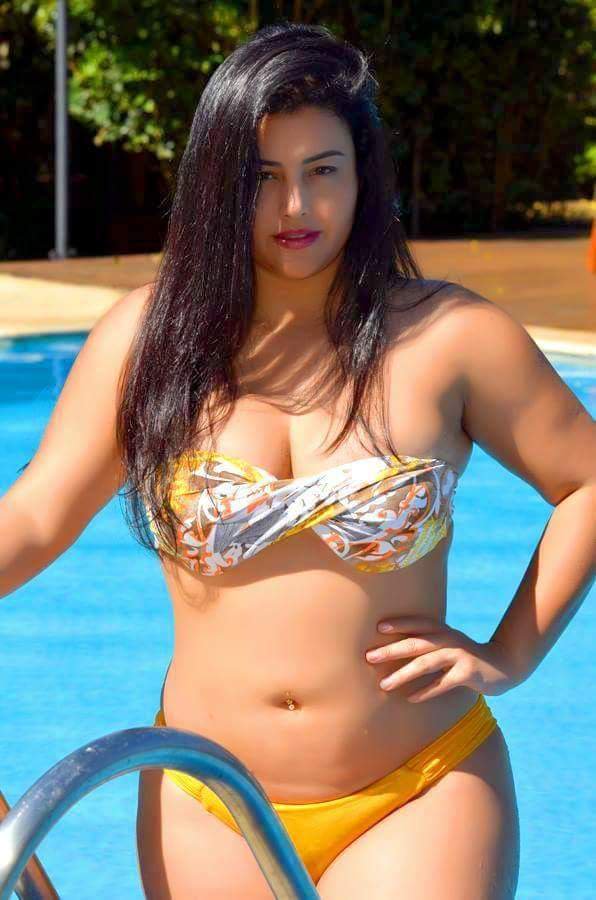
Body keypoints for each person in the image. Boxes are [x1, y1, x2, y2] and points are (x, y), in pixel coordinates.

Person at [3, 21, 595, 900]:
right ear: (217, 184)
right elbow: (36, 515)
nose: (295, 208)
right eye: (262, 177)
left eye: (323, 171)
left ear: (364, 176)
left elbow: (587, 479)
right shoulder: (149, 341)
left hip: (419, 787)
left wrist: (513, 653)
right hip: (208, 796)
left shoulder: (452, 338)